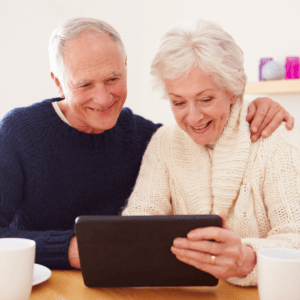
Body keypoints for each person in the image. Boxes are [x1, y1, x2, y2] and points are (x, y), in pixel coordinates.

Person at [0, 18, 294, 270]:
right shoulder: (18, 133)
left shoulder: (146, 137)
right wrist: (70, 249)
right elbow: (137, 232)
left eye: (112, 78)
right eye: (85, 84)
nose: (102, 99)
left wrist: (258, 105)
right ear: (58, 82)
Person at [122, 19, 300, 286]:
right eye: (178, 102)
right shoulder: (164, 143)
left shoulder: (275, 139)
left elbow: (295, 236)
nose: (193, 117)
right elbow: (137, 224)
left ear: (231, 90)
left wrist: (248, 258)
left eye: (206, 99)